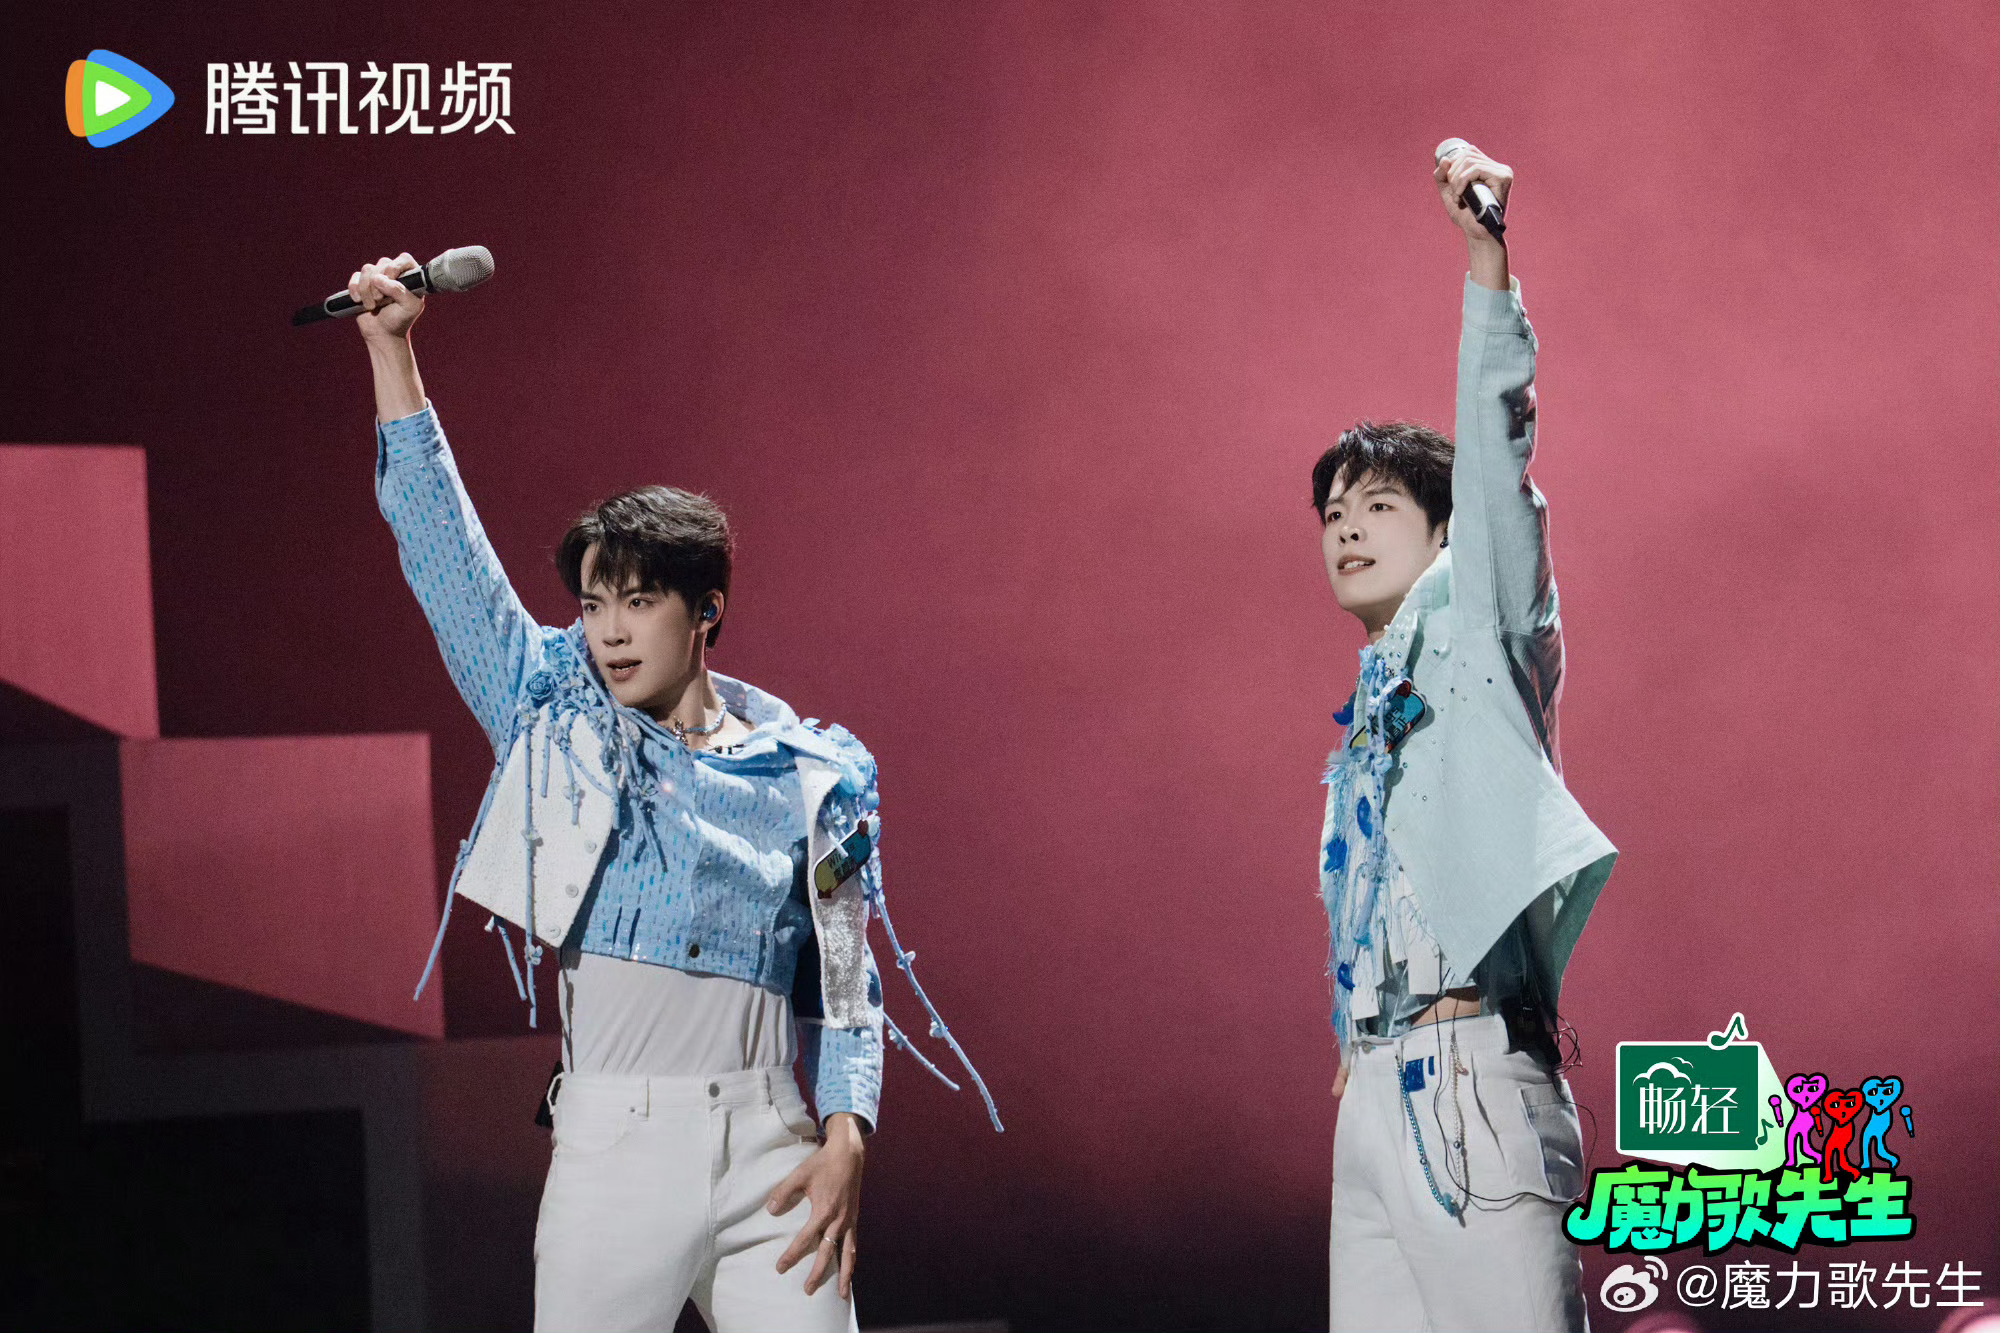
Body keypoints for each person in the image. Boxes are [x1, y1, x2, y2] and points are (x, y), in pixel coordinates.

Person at [345, 252, 997, 1332]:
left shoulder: (814, 775)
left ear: (707, 610)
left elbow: (847, 985)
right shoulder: (553, 716)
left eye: (638, 601)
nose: (607, 630)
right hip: (615, 1152)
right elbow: (445, 556)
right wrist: (392, 350)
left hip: (772, 1149)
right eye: (592, 602)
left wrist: (847, 1136)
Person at [1315, 148, 1617, 1331]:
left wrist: (1487, 267)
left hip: (1470, 1085)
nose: (1343, 527)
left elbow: (1497, 467)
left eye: (1376, 505)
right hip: (1373, 1096)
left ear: (1444, 534)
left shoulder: (1481, 628)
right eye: (1331, 512)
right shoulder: (1364, 710)